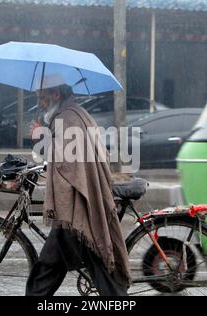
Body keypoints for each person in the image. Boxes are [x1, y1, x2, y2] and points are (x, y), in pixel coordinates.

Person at [26, 75, 131, 296]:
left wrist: (39, 138)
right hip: (73, 209)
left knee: (98, 269)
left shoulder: (67, 119)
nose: (39, 103)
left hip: (78, 212)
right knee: (49, 267)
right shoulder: (75, 113)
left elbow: (64, 162)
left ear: (56, 94)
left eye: (42, 97)